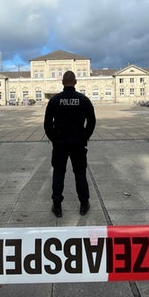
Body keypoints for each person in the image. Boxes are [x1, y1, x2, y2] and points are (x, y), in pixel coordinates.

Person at [44, 71, 96, 217]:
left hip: (60, 143)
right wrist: (85, 136)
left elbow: (47, 124)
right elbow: (92, 121)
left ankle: (57, 206)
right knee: (80, 173)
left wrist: (54, 139)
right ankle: (84, 204)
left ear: (62, 82)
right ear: (75, 82)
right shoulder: (83, 100)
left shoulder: (54, 100)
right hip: (78, 143)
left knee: (59, 174)